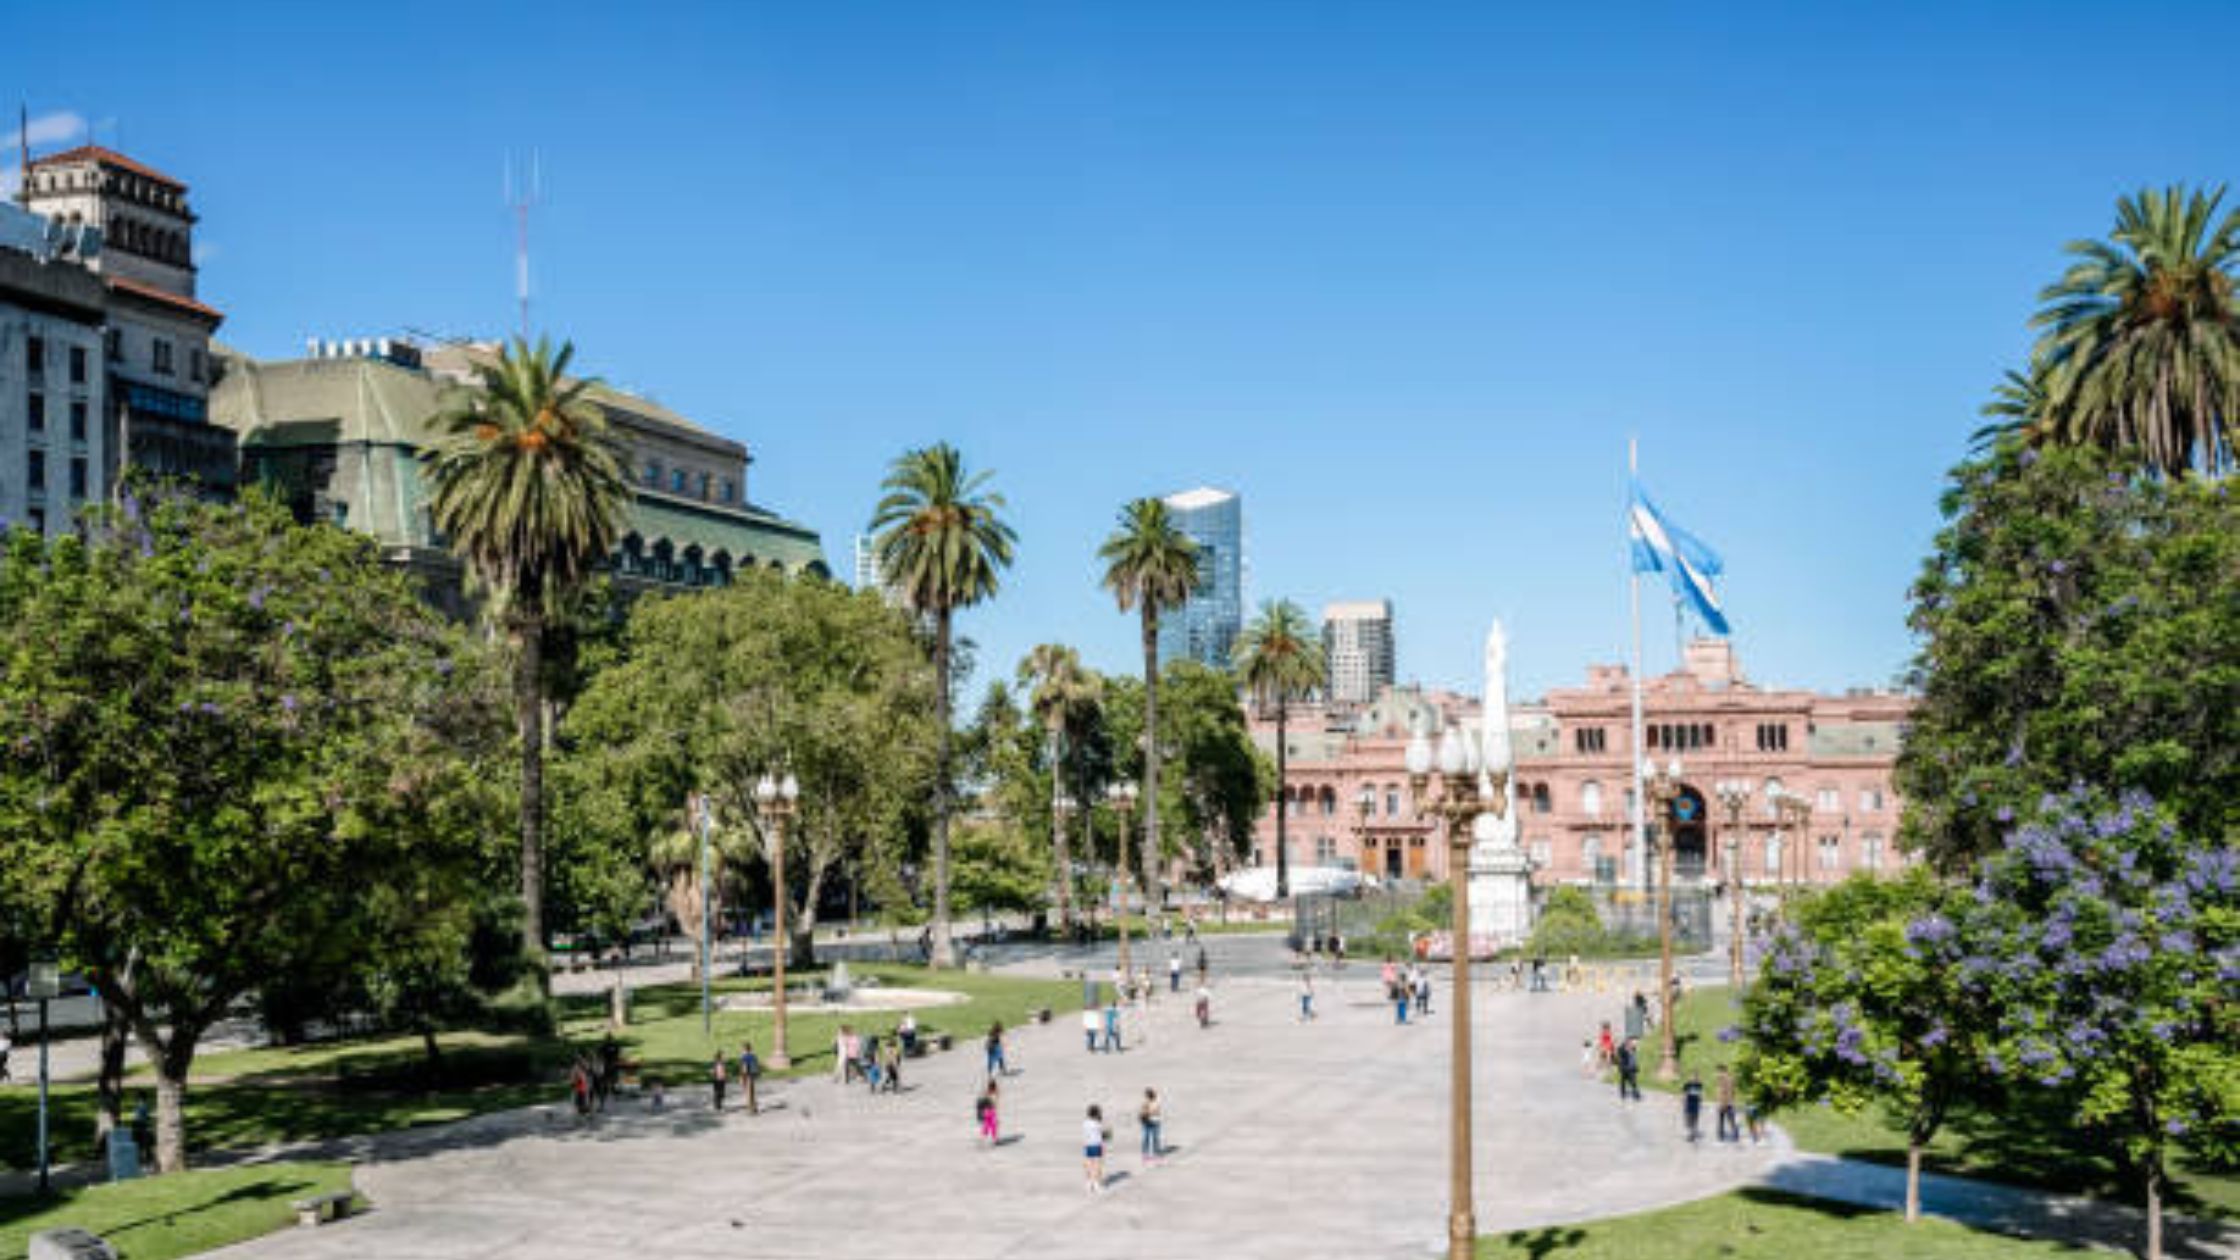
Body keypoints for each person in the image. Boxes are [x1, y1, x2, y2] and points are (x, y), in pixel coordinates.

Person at [1083, 1104, 1109, 1193]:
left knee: (1088, 1165)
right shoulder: (1097, 1124)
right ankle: (1096, 1184)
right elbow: (1105, 1136)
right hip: (1097, 1145)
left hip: (1087, 1145)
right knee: (1097, 1166)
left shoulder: (1085, 1123)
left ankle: (1088, 1183)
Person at [1138, 1087, 1164, 1164]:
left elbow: (1156, 1111)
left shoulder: (1156, 1102)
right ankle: (1145, 1153)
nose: (1147, 1097)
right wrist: (1144, 1113)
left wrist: (1148, 1111)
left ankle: (1156, 1152)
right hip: (1147, 1122)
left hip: (1155, 1121)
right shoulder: (1145, 1102)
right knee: (1146, 1137)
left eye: (1148, 1095)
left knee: (1155, 1138)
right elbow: (1142, 1111)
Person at [1715, 1067, 1740, 1143]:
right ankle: (1721, 1135)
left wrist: (1724, 1104)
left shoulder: (1728, 1080)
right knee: (1722, 1120)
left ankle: (1733, 1135)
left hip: (1727, 1104)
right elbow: (1720, 1092)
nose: (1717, 1074)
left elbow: (1728, 1092)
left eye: (1719, 1072)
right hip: (1723, 1103)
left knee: (1730, 1119)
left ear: (1724, 1072)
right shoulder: (1722, 1080)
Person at [1682, 1069, 1705, 1143]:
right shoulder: (1688, 1084)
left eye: (1696, 1076)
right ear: (1691, 1076)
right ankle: (1690, 1133)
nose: (1695, 1078)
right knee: (1689, 1119)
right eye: (1694, 1076)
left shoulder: (1699, 1084)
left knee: (1695, 1119)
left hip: (1696, 1104)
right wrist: (1683, 1102)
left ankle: (1692, 1133)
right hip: (1689, 1104)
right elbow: (1684, 1094)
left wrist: (1701, 1102)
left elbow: (1701, 1094)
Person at [740, 1040, 762, 1115]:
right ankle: (755, 1107)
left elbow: (744, 1068)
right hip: (753, 1075)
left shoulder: (744, 1057)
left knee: (748, 1093)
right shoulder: (753, 1056)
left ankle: (750, 1109)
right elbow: (757, 1065)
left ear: (744, 1049)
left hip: (748, 1075)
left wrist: (743, 1077)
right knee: (753, 1092)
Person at [977, 1079, 1001, 1146]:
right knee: (992, 1125)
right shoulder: (992, 1093)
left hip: (987, 1111)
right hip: (990, 1111)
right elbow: (992, 1101)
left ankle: (985, 1138)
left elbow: (981, 1101)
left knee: (988, 1124)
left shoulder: (989, 1093)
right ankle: (992, 1139)